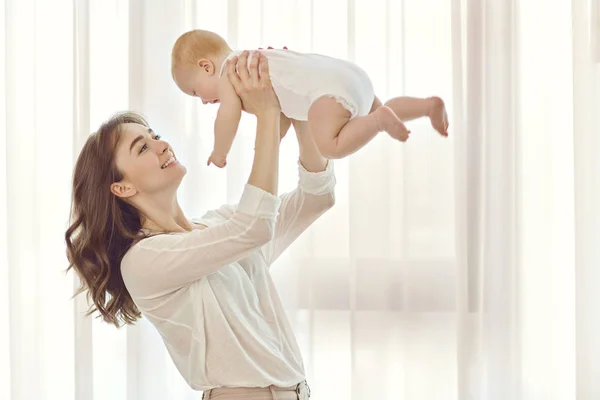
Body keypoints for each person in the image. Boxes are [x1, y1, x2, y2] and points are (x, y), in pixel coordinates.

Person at [66, 51, 330, 399]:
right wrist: (267, 113)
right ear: (122, 188)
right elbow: (253, 226)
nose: (162, 145)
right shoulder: (144, 261)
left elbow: (316, 197)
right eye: (142, 147)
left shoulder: (219, 226)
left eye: (154, 135)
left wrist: (295, 104)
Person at [170, 29, 449, 168]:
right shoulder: (256, 58)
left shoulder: (230, 73)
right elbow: (278, 112)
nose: (204, 102)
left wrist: (220, 152)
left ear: (207, 67)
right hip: (350, 75)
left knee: (330, 146)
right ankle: (426, 106)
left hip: (328, 93)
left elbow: (226, 118)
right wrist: (270, 143)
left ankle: (378, 121)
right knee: (382, 104)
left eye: (196, 93)